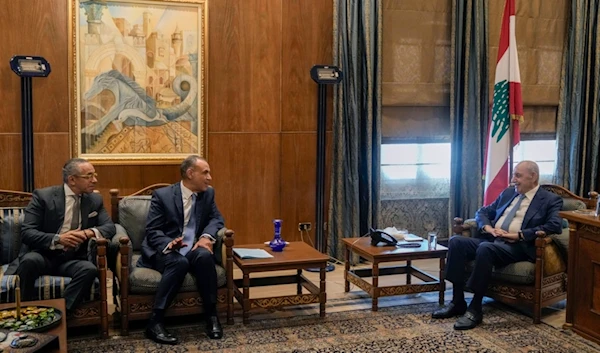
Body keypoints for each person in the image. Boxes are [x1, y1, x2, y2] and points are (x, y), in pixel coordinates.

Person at [432, 160, 563, 330]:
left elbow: (554, 226)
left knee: (485, 248)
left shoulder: (550, 200)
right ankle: (457, 301)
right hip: (493, 239)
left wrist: (518, 235)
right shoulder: (509, 193)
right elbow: (483, 212)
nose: (513, 179)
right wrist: (489, 228)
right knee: (456, 242)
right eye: (513, 175)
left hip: (518, 247)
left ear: (533, 176)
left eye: (518, 175)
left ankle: (475, 308)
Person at [5, 158, 116, 313]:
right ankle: (24, 313)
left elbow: (110, 227)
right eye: (89, 176)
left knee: (89, 269)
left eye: (94, 175)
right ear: (72, 180)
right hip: (44, 255)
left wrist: (87, 233)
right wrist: (58, 239)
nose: (95, 180)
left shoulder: (94, 200)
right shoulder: (44, 197)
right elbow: (27, 232)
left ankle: (59, 314)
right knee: (29, 261)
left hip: (72, 258)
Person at [138, 155, 225, 345]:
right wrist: (170, 243)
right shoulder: (163, 196)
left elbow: (216, 219)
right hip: (167, 249)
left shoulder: (208, 194)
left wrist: (205, 237)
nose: (210, 177)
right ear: (190, 173)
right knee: (179, 262)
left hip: (193, 247)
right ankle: (155, 321)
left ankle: (211, 316)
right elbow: (153, 231)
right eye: (205, 173)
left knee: (204, 256)